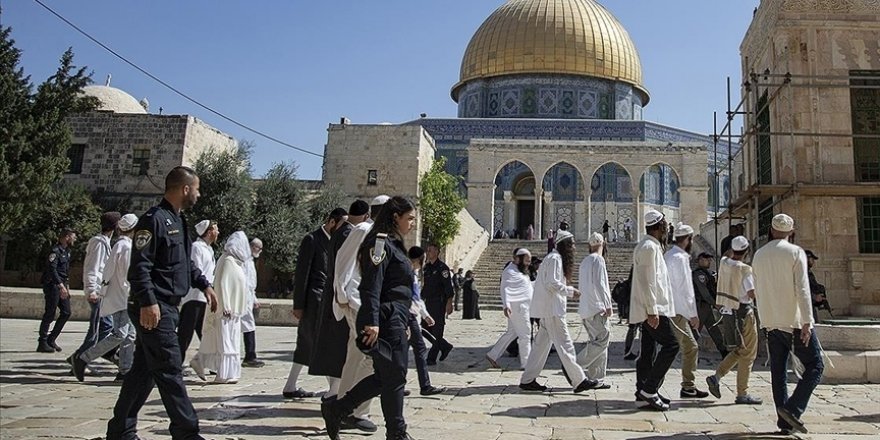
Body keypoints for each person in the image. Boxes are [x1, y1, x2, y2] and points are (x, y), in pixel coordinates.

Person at [106, 166, 218, 440]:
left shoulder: (180, 222)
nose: (199, 194)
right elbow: (140, 266)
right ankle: (187, 432)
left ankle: (121, 430)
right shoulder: (152, 220)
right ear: (185, 189)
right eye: (197, 188)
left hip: (168, 305)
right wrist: (148, 302)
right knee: (169, 368)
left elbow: (184, 264)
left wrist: (204, 284)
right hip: (154, 306)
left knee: (143, 371)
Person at [321, 196, 418, 440]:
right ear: (395, 217)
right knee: (393, 376)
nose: (413, 223)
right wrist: (371, 321)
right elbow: (372, 285)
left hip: (396, 317)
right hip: (385, 318)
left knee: (388, 376)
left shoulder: (394, 244)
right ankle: (396, 432)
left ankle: (339, 409)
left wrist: (405, 319)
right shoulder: (380, 243)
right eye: (409, 218)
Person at [753, 214, 824, 435]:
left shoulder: (759, 255)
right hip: (793, 321)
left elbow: (758, 288)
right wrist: (807, 322)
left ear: (772, 231)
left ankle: (784, 422)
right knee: (815, 366)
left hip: (770, 321)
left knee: (778, 372)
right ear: (791, 232)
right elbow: (802, 289)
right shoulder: (795, 253)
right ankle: (793, 409)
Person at [311, 200, 378, 433]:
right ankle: (354, 410)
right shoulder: (363, 230)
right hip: (358, 303)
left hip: (366, 304)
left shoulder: (379, 235)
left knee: (356, 356)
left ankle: (342, 406)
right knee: (369, 358)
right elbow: (343, 262)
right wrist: (342, 295)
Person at [519, 230, 599, 393]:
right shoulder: (555, 259)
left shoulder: (553, 258)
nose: (575, 248)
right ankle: (579, 380)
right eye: (573, 244)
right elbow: (551, 283)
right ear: (565, 246)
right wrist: (571, 291)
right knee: (565, 345)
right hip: (552, 310)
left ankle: (527, 380)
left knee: (540, 347)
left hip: (549, 309)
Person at [283, 207, 348, 398]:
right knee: (317, 343)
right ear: (331, 221)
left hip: (326, 300)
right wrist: (298, 305)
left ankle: (291, 385)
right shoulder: (312, 239)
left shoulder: (336, 242)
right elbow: (302, 273)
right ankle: (335, 388)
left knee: (308, 344)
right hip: (313, 300)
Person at [73, 214, 138, 382]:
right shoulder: (125, 247)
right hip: (121, 297)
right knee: (119, 334)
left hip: (122, 296)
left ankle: (125, 371)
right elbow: (124, 274)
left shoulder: (122, 245)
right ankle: (83, 358)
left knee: (129, 335)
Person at [631, 209, 679, 411]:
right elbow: (647, 281)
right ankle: (649, 390)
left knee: (649, 350)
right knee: (672, 345)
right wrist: (652, 311)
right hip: (652, 309)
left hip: (652, 308)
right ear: (659, 227)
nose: (667, 229)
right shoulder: (649, 247)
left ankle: (643, 393)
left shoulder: (651, 246)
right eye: (666, 226)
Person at [706, 236, 762, 405]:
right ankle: (742, 393)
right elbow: (751, 293)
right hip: (743, 312)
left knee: (739, 349)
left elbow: (727, 254)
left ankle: (716, 377)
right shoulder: (744, 270)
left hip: (728, 313)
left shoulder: (724, 263)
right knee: (749, 353)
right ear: (746, 251)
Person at [190, 231, 250, 384]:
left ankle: (222, 370)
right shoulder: (227, 260)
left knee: (228, 340)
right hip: (225, 310)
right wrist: (226, 305)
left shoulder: (237, 263)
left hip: (234, 310)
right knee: (224, 341)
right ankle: (221, 373)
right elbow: (222, 283)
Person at [664, 223, 710, 399]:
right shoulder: (681, 258)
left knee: (679, 347)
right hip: (678, 311)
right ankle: (687, 386)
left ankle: (685, 385)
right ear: (689, 240)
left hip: (670, 309)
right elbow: (686, 289)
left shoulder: (668, 255)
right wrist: (693, 314)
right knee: (689, 348)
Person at [71, 212, 120, 365]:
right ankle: (79, 358)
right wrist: (92, 289)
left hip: (103, 292)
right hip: (98, 292)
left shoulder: (105, 242)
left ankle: (83, 357)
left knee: (106, 326)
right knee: (101, 328)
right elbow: (93, 268)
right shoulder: (99, 243)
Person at [576, 232, 614, 388]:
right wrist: (608, 304)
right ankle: (574, 366)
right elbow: (601, 284)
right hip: (597, 308)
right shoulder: (598, 260)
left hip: (586, 308)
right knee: (602, 340)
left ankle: (597, 379)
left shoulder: (585, 261)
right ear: (602, 244)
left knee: (597, 342)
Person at [407, 246, 446, 396]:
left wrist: (425, 315)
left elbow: (416, 298)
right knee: (417, 350)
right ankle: (423, 386)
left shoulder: (414, 273)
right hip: (408, 317)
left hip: (413, 317)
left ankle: (421, 385)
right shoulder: (407, 273)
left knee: (414, 350)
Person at [487, 248, 534, 369]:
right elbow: (505, 288)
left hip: (521, 307)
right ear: (518, 259)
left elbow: (526, 286)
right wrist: (506, 305)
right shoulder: (510, 272)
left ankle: (493, 355)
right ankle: (526, 364)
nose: (528, 263)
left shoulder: (519, 271)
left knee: (512, 333)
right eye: (526, 260)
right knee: (525, 335)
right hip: (518, 308)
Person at [178, 219, 218, 360]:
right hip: (194, 296)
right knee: (185, 333)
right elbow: (196, 270)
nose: (217, 232)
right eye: (215, 229)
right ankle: (176, 361)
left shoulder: (209, 249)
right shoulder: (197, 247)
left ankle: (213, 362)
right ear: (208, 232)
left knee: (204, 331)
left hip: (203, 297)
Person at [37, 228, 76, 353]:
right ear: (66, 237)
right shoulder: (55, 251)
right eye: (73, 236)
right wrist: (60, 286)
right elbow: (52, 270)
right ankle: (42, 342)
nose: (74, 238)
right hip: (53, 285)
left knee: (66, 312)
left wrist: (67, 286)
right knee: (50, 313)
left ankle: (51, 339)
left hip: (62, 284)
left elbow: (65, 271)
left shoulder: (66, 251)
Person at [422, 243, 455, 365]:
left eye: (431, 250)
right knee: (423, 328)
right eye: (428, 250)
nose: (428, 252)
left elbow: (448, 287)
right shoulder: (427, 268)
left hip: (439, 302)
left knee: (437, 330)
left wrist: (449, 303)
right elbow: (426, 286)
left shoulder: (443, 268)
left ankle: (431, 358)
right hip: (428, 302)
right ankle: (444, 346)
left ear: (437, 252)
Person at [692, 252, 729, 358]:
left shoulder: (708, 274)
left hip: (707, 307)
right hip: (700, 306)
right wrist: (715, 304)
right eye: (706, 259)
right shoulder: (699, 274)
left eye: (709, 260)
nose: (709, 262)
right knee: (695, 332)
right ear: (700, 260)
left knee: (714, 330)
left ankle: (724, 352)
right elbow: (704, 292)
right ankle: (689, 353)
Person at [241, 237, 265, 368]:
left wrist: (254, 298)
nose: (260, 251)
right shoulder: (244, 260)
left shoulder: (250, 261)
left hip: (248, 298)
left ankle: (250, 355)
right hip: (243, 299)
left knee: (249, 326)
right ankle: (250, 355)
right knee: (248, 326)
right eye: (258, 248)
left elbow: (251, 284)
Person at [805, 250, 831, 322]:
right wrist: (814, 297)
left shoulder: (808, 272)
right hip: (805, 307)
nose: (813, 261)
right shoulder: (802, 272)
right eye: (812, 259)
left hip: (810, 305)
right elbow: (801, 289)